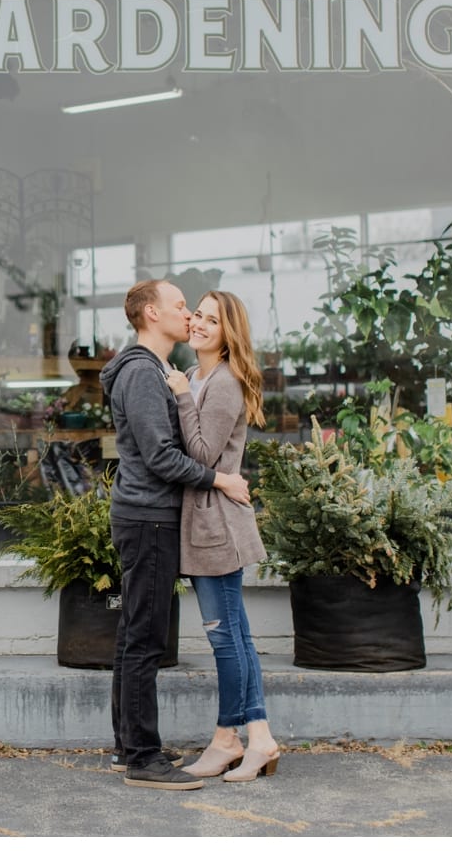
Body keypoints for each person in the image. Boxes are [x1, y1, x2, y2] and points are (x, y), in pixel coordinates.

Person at [99, 279, 252, 790]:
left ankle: (128, 748)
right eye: (181, 306)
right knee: (144, 638)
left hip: (146, 516)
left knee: (134, 635)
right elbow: (163, 456)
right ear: (150, 314)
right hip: (149, 518)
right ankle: (144, 757)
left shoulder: (159, 371)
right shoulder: (143, 373)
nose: (189, 315)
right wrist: (220, 478)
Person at [164, 290, 281, 783]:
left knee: (224, 641)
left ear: (228, 331)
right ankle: (260, 739)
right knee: (237, 637)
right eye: (198, 316)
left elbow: (205, 455)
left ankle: (225, 739)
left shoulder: (222, 383)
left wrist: (182, 397)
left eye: (212, 320)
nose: (199, 325)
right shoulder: (194, 376)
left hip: (217, 530)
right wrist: (184, 390)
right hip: (204, 524)